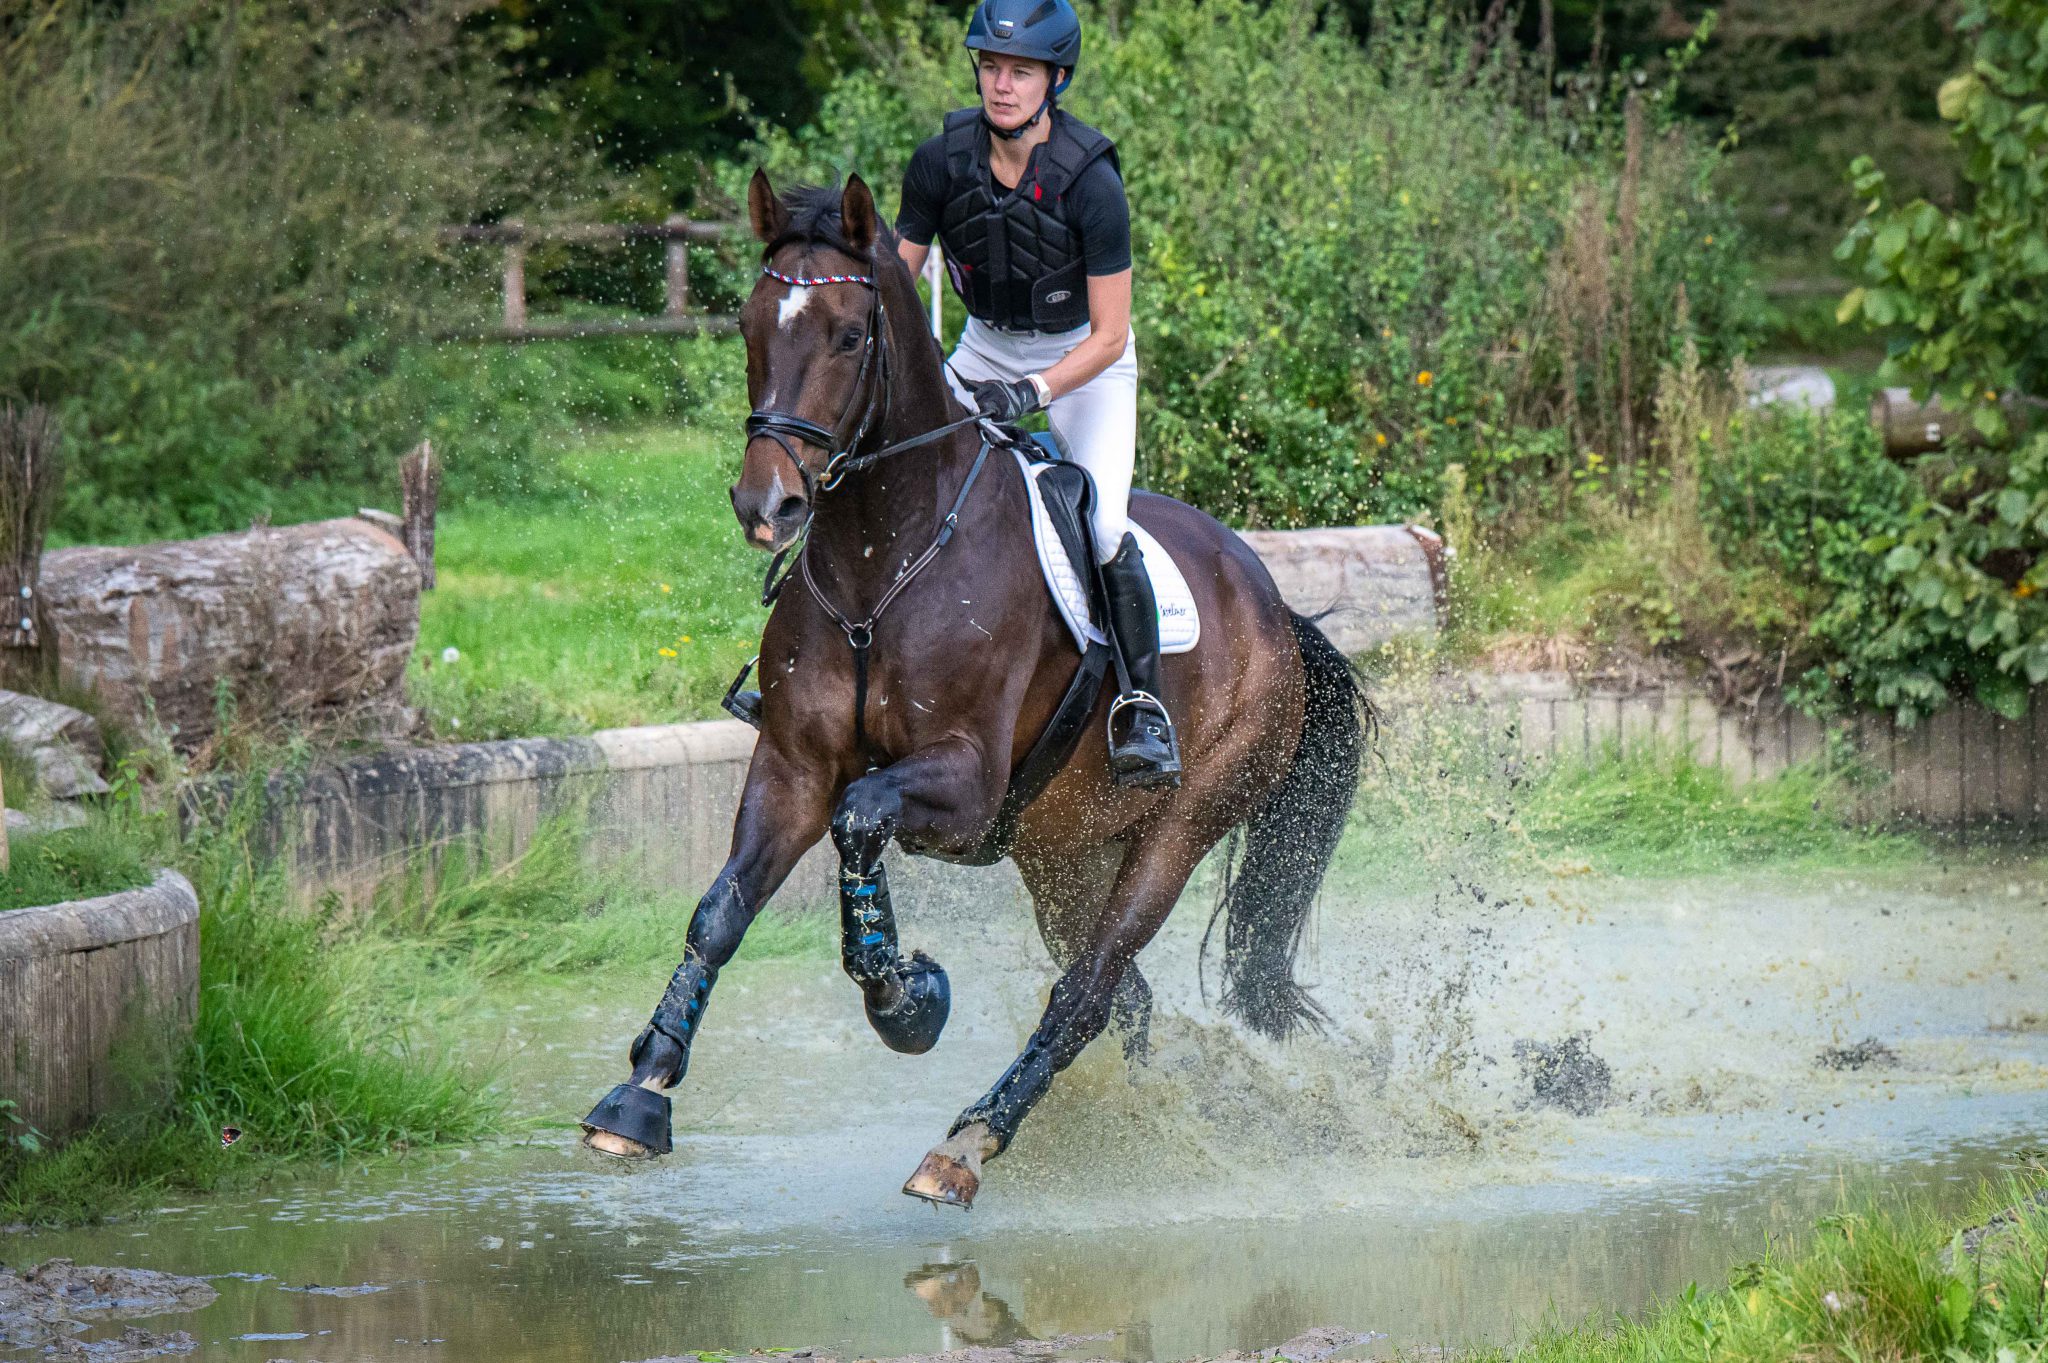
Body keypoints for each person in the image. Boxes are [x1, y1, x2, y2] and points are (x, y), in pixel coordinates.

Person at [893, 0, 1180, 790]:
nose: (1002, 84)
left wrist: (1030, 390)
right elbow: (894, 277)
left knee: (1108, 526)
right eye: (990, 66)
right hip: (983, 343)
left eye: (1020, 71)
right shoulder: (940, 162)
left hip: (1080, 359)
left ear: (1055, 80)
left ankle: (1142, 707)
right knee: (885, 469)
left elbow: (1111, 335)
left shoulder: (1092, 181)